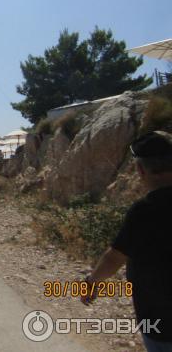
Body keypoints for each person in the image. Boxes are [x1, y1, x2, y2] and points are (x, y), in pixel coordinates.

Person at [80, 131, 172, 351]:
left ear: (140, 170)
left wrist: (92, 283)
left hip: (162, 321)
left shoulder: (145, 211)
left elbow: (115, 257)